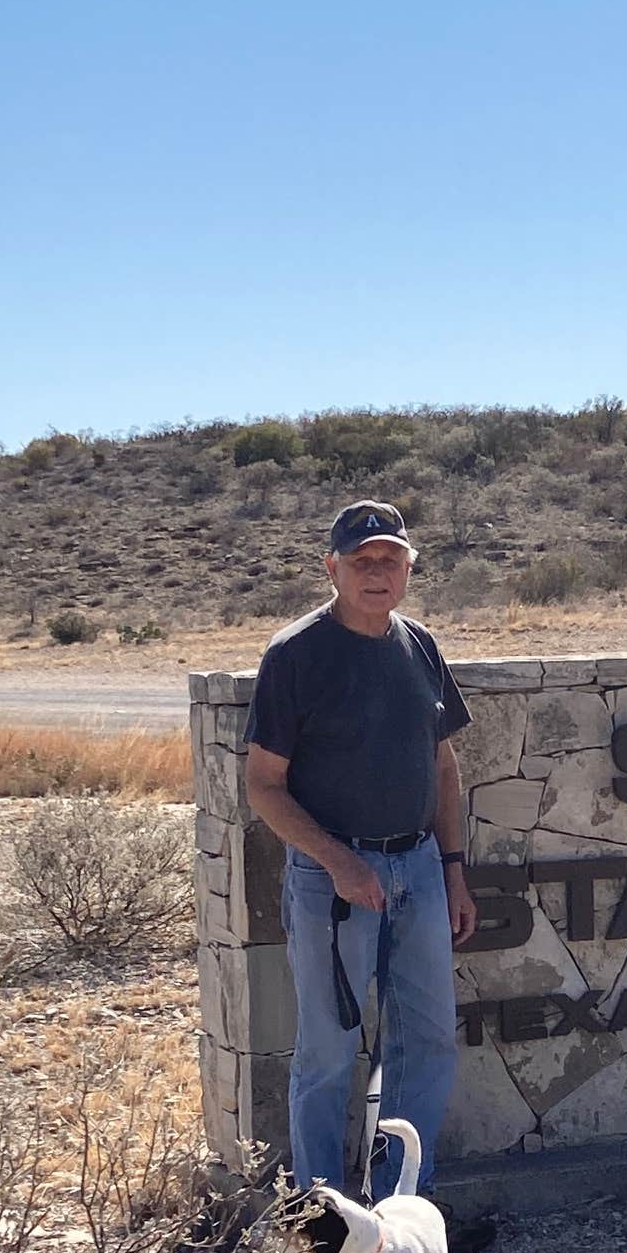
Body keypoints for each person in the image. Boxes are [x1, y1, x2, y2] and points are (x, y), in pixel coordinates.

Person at [244, 499, 477, 1195]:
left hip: (419, 871)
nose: (378, 573)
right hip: (332, 881)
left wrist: (454, 870)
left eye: (390, 560)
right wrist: (339, 863)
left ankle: (401, 1211)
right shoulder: (295, 655)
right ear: (332, 568)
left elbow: (442, 767)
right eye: (362, 560)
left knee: (426, 1042)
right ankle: (323, 1226)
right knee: (327, 1051)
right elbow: (263, 786)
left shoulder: (419, 645)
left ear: (408, 569)